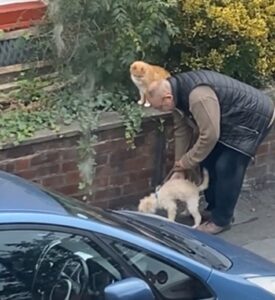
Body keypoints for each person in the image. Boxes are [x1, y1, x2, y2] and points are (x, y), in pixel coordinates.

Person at [147, 70, 275, 234]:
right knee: (207, 161)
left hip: (253, 118)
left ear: (167, 98)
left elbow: (210, 136)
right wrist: (180, 167)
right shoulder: (176, 96)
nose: (160, 110)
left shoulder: (198, 96)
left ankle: (221, 220)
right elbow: (181, 131)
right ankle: (214, 209)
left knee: (227, 166)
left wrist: (187, 161)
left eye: (159, 107)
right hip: (228, 121)